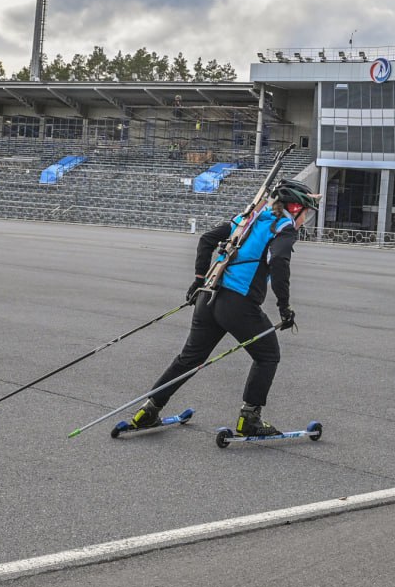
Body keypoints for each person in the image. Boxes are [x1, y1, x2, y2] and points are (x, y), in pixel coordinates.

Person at [123, 179, 319, 435]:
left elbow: (207, 240)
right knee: (268, 355)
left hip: (208, 297)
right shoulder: (283, 227)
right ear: (295, 208)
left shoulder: (247, 219)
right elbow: (280, 260)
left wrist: (198, 279)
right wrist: (285, 307)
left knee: (189, 359)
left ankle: (148, 410)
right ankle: (249, 419)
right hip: (238, 304)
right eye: (307, 212)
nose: (306, 218)